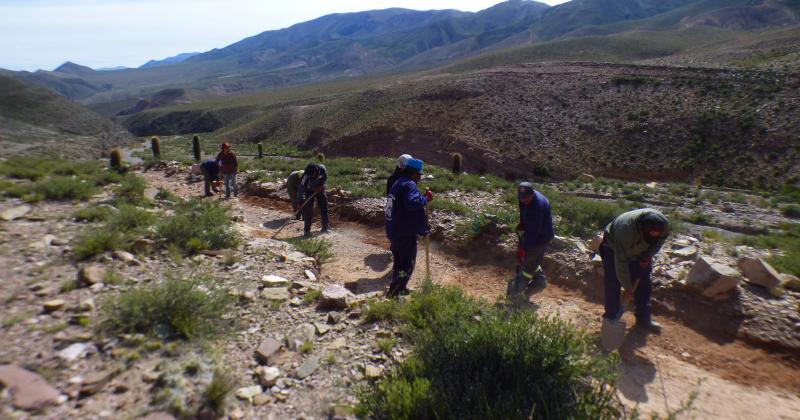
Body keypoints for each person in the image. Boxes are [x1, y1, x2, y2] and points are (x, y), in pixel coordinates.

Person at [601, 208, 669, 334]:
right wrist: (628, 287)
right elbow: (620, 262)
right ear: (641, 229)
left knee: (644, 283)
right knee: (613, 283)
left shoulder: (663, 226)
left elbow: (659, 242)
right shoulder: (625, 230)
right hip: (613, 248)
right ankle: (611, 317)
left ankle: (644, 319)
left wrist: (648, 254)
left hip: (641, 251)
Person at [385, 158, 434, 298]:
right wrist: (426, 199)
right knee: (407, 264)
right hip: (404, 232)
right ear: (413, 173)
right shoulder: (409, 185)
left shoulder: (397, 183)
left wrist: (423, 197)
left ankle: (398, 288)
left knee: (399, 262)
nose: (420, 178)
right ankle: (394, 295)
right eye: (419, 175)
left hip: (393, 229)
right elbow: (412, 203)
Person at [509, 182, 554, 299]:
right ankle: (539, 280)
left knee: (528, 265)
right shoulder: (523, 197)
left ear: (532, 194)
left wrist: (524, 248)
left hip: (541, 237)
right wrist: (522, 224)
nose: (523, 201)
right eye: (521, 198)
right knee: (524, 260)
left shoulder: (538, 206)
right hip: (531, 232)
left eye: (526, 198)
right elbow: (523, 211)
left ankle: (517, 296)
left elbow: (535, 231)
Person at [297, 162, 329, 237]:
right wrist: (299, 202)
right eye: (310, 175)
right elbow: (301, 189)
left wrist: (320, 186)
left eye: (313, 174)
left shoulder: (322, 169)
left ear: (316, 170)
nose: (311, 176)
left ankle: (325, 227)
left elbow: (325, 177)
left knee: (324, 207)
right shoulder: (305, 175)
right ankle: (307, 231)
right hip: (309, 191)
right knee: (308, 211)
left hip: (320, 189)